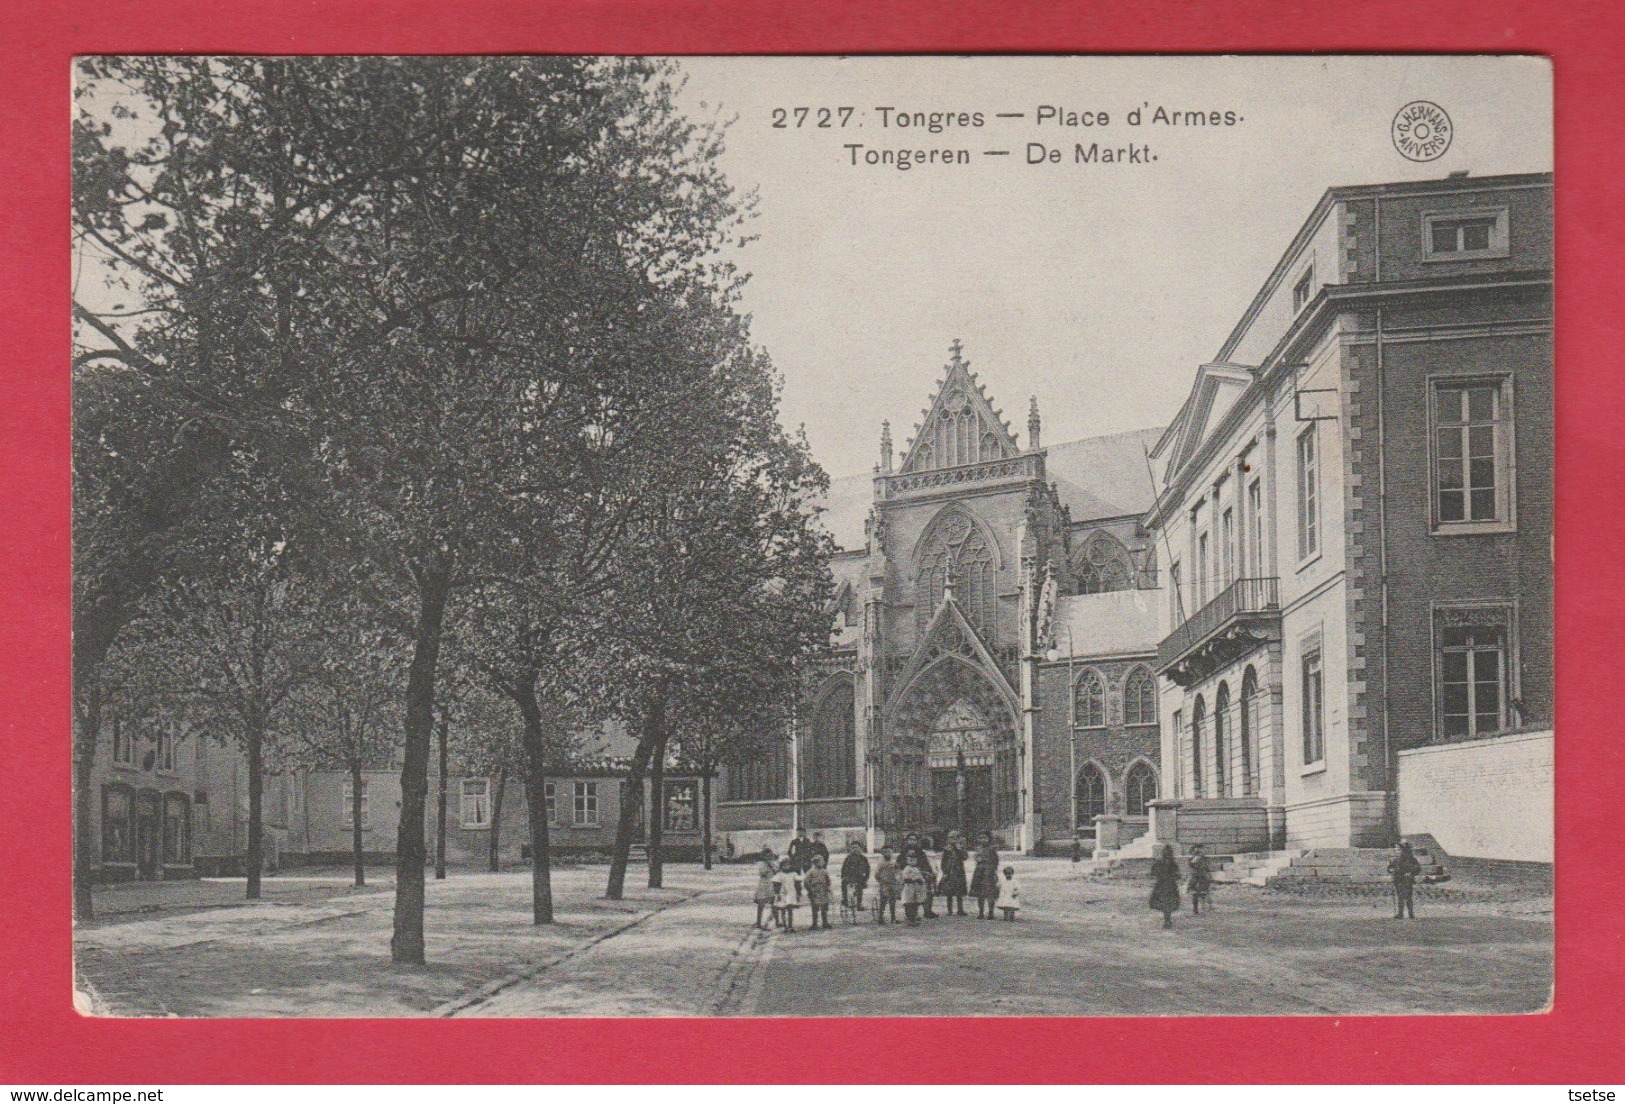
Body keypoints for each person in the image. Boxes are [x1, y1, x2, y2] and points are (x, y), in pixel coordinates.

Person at [1388, 839, 1423, 919]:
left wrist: (1410, 873)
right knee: (1400, 897)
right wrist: (1390, 869)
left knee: (1408, 897)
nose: (1396, 850)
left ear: (1403, 849)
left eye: (1398, 849)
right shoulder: (1396, 859)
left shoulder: (1410, 858)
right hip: (1398, 880)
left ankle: (1410, 914)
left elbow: (1417, 868)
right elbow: (1390, 867)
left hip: (1407, 880)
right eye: (1396, 849)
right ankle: (1400, 914)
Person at [1150, 844, 1181, 929]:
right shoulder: (1173, 863)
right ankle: (1167, 920)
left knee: (1164, 903)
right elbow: (1178, 875)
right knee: (1169, 903)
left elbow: (1152, 872)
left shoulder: (1159, 862)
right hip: (1171, 886)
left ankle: (1167, 920)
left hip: (1161, 885)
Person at [938, 831, 969, 916]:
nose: (952, 840)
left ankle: (960, 909)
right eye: (950, 838)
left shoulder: (960, 848)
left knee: (959, 892)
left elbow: (965, 857)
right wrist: (944, 871)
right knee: (949, 892)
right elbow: (943, 862)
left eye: (954, 838)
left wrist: (961, 849)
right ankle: (949, 910)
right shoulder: (946, 849)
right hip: (949, 872)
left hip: (959, 872)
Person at [970, 833, 1000, 919]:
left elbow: (996, 862)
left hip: (989, 872)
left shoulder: (992, 849)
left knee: (990, 893)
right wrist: (978, 859)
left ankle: (991, 912)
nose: (983, 840)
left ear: (989, 839)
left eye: (985, 838)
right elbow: (976, 858)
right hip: (979, 872)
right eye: (981, 838)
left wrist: (992, 869)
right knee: (980, 893)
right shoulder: (978, 849)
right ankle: (981, 912)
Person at [772, 857, 803, 931]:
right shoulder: (779, 875)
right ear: (781, 866)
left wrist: (798, 893)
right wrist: (777, 894)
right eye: (784, 865)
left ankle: (790, 926)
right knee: (783, 910)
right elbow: (775, 884)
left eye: (788, 865)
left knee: (790, 910)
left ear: (791, 866)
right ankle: (785, 926)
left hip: (791, 893)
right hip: (782, 894)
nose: (786, 867)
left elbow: (798, 882)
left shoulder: (793, 874)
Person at [840, 838, 871, 911]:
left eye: (856, 847)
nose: (855, 849)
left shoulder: (863, 858)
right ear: (850, 849)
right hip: (850, 877)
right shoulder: (848, 858)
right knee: (843, 883)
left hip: (859, 877)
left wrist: (866, 878)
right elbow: (843, 868)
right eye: (853, 848)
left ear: (860, 848)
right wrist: (843, 876)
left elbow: (867, 869)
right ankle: (845, 900)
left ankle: (859, 905)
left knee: (859, 887)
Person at [804, 853, 833, 930]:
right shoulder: (810, 871)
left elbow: (828, 880)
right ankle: (814, 923)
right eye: (821, 861)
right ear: (816, 862)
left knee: (824, 907)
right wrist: (810, 890)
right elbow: (806, 882)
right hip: (815, 891)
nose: (823, 862)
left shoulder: (824, 871)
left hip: (823, 890)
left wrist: (828, 888)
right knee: (815, 908)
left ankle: (825, 922)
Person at [874, 846, 901, 924]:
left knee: (893, 901)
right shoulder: (881, 863)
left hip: (893, 883)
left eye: (889, 852)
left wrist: (898, 879)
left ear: (892, 853)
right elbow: (876, 874)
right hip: (884, 884)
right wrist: (880, 880)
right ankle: (880, 918)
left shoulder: (894, 862)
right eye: (885, 852)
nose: (887, 854)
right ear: (882, 853)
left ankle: (893, 918)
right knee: (883, 901)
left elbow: (898, 872)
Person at [752, 847, 777, 930]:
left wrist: (772, 866)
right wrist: (768, 866)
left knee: (774, 902)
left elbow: (777, 871)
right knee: (761, 903)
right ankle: (758, 922)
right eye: (766, 855)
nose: (768, 857)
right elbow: (762, 873)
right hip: (763, 884)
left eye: (770, 855)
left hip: (771, 883)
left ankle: (777, 921)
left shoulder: (773, 863)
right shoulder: (761, 863)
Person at [900, 856, 928, 926]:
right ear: (907, 861)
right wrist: (913, 880)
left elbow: (921, 878)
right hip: (909, 889)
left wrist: (921, 881)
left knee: (915, 903)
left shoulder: (916, 869)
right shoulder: (906, 869)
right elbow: (905, 879)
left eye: (914, 860)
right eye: (910, 860)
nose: (912, 861)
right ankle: (909, 918)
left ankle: (914, 917)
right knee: (909, 903)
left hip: (916, 889)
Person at [1187, 843, 1214, 915]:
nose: (1199, 849)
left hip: (1202, 876)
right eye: (1198, 848)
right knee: (1195, 894)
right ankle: (1195, 909)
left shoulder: (1204, 857)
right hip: (1195, 876)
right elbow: (1191, 865)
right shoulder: (1191, 857)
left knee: (1204, 892)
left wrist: (1209, 874)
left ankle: (1205, 908)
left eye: (1200, 848)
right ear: (1195, 848)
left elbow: (1207, 867)